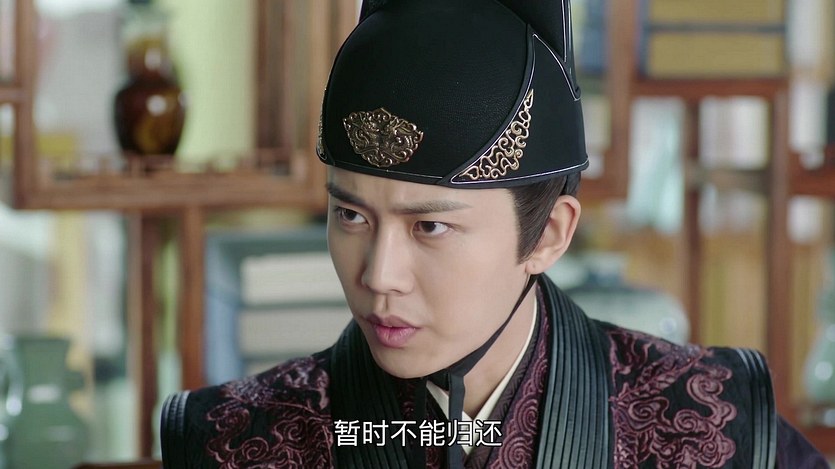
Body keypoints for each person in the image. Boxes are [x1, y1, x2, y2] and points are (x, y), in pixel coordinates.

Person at [160, 0, 829, 467]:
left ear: (549, 235)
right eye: (351, 216)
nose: (378, 275)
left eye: (429, 225)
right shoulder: (230, 440)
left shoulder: (712, 424)